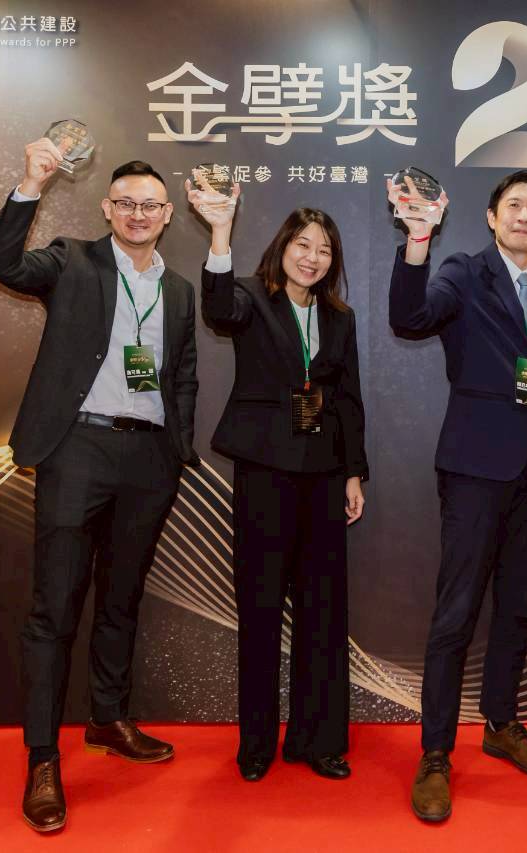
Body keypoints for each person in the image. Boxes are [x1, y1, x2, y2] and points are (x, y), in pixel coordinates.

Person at [0, 140, 199, 832]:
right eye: (125, 203)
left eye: (150, 205)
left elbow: (183, 373)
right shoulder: (72, 260)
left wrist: (177, 449)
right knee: (55, 609)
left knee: (121, 599)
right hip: (77, 448)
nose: (138, 214)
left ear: (167, 215)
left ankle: (108, 717)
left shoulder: (179, 289)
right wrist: (30, 183)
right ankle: (43, 756)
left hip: (149, 459)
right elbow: (2, 264)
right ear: (107, 209)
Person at [387, 170, 527, 822]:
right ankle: (436, 752)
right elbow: (410, 317)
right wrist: (418, 239)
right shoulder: (464, 272)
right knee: (457, 613)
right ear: (493, 217)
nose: (525, 215)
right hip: (475, 467)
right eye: (513, 205)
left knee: (517, 607)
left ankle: (501, 723)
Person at [190, 181, 368, 783]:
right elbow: (217, 309)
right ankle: (258, 743)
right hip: (264, 472)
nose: (312, 257)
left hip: (324, 476)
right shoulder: (250, 297)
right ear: (282, 247)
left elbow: (349, 400)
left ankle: (318, 741)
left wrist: (353, 473)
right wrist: (219, 233)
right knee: (261, 608)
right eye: (302, 244)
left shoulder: (340, 318)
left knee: (324, 612)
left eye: (324, 249)